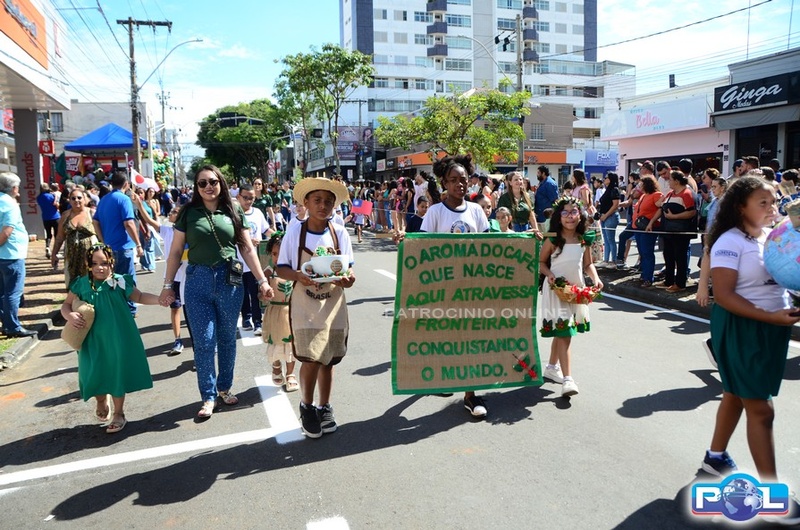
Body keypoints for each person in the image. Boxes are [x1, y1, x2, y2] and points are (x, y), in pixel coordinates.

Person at [700, 176, 800, 482]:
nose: (772, 208)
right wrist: (770, 317)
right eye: (763, 203)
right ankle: (771, 490)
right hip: (742, 327)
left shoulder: (773, 236)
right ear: (741, 207)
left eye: (774, 202)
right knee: (761, 409)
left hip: (773, 327)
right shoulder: (729, 241)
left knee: (734, 394)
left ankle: (715, 458)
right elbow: (724, 295)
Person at [159, 165, 274, 419]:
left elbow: (247, 248)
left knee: (226, 338)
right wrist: (168, 286)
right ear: (196, 187)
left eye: (213, 181)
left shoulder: (233, 210)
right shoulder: (188, 213)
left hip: (229, 279)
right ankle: (208, 396)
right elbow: (175, 252)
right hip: (197, 280)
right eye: (202, 183)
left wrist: (262, 281)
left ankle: (224, 387)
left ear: (220, 183)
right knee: (204, 341)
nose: (208, 187)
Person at [400, 154, 491, 418]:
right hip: (443, 288)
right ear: (444, 183)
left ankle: (471, 395)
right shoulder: (435, 212)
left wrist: (526, 238)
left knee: (472, 339)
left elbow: (490, 246)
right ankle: (444, 376)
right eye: (453, 180)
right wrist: (405, 241)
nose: (459, 184)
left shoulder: (476, 211)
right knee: (448, 337)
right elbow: (424, 248)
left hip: (472, 287)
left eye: (463, 179)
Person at [276, 177, 355, 438]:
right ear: (306, 203)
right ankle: (307, 406)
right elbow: (282, 268)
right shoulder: (294, 233)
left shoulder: (339, 233)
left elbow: (349, 271)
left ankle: (325, 406)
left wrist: (347, 279)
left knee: (329, 359)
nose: (323, 206)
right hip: (305, 304)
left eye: (328, 202)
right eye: (317, 200)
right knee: (310, 358)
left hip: (332, 303)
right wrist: (298, 276)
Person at [60, 243, 165, 433]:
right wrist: (70, 315)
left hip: (118, 337)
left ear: (111, 263)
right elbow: (65, 305)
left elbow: (140, 297)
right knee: (94, 372)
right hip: (91, 340)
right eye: (94, 263)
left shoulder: (120, 282)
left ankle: (119, 413)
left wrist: (159, 299)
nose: (99, 267)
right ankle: (101, 400)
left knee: (116, 373)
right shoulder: (81, 284)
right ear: (88, 265)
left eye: (104, 263)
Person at [538, 196, 603, 397]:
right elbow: (541, 262)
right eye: (565, 213)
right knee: (565, 331)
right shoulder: (553, 239)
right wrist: (549, 274)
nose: (569, 216)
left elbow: (587, 264)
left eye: (574, 212)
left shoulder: (583, 239)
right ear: (559, 217)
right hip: (556, 290)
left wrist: (595, 278)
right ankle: (568, 379)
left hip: (575, 291)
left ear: (580, 215)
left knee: (561, 331)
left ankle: (551, 368)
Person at [93, 171, 144, 316]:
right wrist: (138, 244)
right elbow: (129, 223)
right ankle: (130, 310)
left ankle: (115, 308)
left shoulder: (104, 199)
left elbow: (95, 221)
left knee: (111, 280)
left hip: (109, 247)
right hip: (123, 246)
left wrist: (103, 240)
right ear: (126, 184)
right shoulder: (124, 199)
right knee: (127, 280)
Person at [261, 232, 298, 392]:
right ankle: (276, 366)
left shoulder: (295, 272)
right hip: (275, 313)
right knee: (275, 342)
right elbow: (260, 294)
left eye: (282, 254)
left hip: (292, 312)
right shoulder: (269, 272)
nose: (277, 257)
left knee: (291, 344)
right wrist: (263, 294)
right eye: (274, 254)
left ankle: (290, 374)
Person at [0, 172, 34, 337]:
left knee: (2, 292)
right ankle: (12, 326)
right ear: (13, 188)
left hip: (5, 255)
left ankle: (6, 322)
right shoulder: (10, 204)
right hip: (11, 254)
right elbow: (7, 232)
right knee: (13, 292)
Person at [651, 171, 696, 292]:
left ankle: (680, 284)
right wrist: (652, 222)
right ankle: (669, 280)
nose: (668, 182)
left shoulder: (687, 193)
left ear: (676, 181)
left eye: (670, 179)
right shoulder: (670, 194)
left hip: (680, 232)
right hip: (668, 230)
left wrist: (674, 217)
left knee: (680, 258)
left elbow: (692, 212)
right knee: (668, 255)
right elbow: (661, 207)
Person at [237, 183, 271, 336]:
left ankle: (257, 321)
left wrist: (278, 237)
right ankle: (246, 317)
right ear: (239, 197)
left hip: (254, 262)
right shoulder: (233, 214)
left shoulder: (257, 213)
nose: (248, 201)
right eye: (245, 198)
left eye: (251, 198)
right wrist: (248, 240)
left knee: (256, 291)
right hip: (237, 261)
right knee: (242, 292)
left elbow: (266, 230)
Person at [51, 188, 97, 288]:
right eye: (73, 198)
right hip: (71, 255)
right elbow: (60, 237)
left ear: (84, 199)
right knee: (72, 283)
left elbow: (101, 234)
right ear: (69, 200)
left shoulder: (92, 213)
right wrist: (54, 254)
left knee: (91, 281)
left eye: (79, 198)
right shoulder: (65, 215)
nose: (76, 200)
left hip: (90, 254)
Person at [160, 207, 189, 355]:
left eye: (174, 212)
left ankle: (198, 344)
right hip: (173, 279)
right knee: (175, 308)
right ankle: (178, 340)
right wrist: (139, 205)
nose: (170, 214)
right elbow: (150, 222)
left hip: (187, 278)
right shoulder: (167, 231)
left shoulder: (189, 233)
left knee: (190, 312)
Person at [635, 176, 663, 287]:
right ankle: (644, 274)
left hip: (649, 227)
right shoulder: (643, 196)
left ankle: (648, 278)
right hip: (640, 227)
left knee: (647, 252)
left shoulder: (656, 195)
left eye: (641, 184)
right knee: (642, 252)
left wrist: (651, 222)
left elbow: (661, 208)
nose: (639, 186)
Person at [596, 172, 621, 269]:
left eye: (606, 178)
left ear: (611, 179)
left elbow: (615, 205)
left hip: (611, 217)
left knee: (611, 239)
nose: (604, 179)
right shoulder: (607, 189)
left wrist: (606, 215)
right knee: (606, 239)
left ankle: (613, 261)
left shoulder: (614, 189)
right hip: (604, 216)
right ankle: (606, 260)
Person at [36, 183, 60, 259]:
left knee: (48, 234)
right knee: (57, 235)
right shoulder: (51, 196)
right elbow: (56, 205)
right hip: (55, 217)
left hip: (45, 218)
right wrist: (55, 197)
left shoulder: (39, 197)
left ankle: (47, 246)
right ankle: (56, 251)